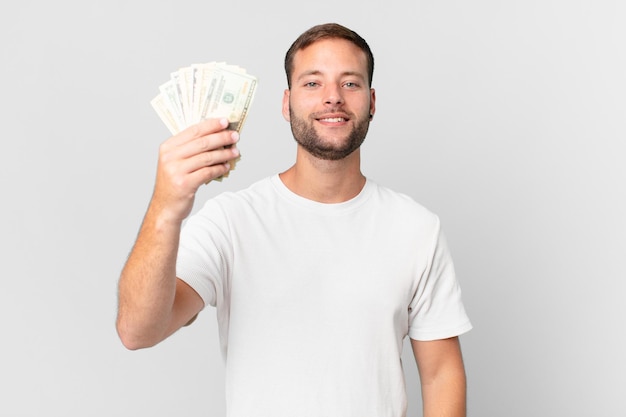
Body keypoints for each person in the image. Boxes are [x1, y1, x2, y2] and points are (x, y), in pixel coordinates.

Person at [117, 22, 472, 417]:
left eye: (350, 84)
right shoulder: (231, 222)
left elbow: (441, 374)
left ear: (372, 101)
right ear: (286, 103)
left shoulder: (416, 229)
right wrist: (166, 207)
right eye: (312, 83)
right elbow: (137, 330)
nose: (333, 98)